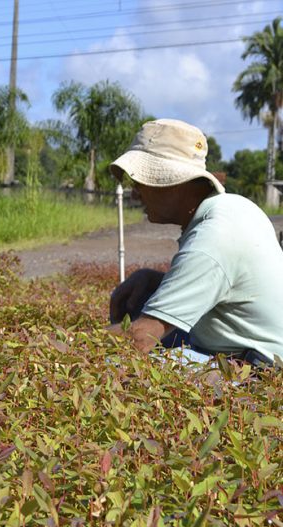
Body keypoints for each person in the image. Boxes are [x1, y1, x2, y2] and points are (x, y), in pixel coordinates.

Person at [108, 118, 283, 367]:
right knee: (147, 294)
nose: (135, 192)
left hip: (260, 370)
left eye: (142, 181)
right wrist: (153, 278)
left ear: (178, 182)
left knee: (115, 363)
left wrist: (61, 348)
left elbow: (140, 338)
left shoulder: (212, 237)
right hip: (241, 348)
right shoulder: (233, 207)